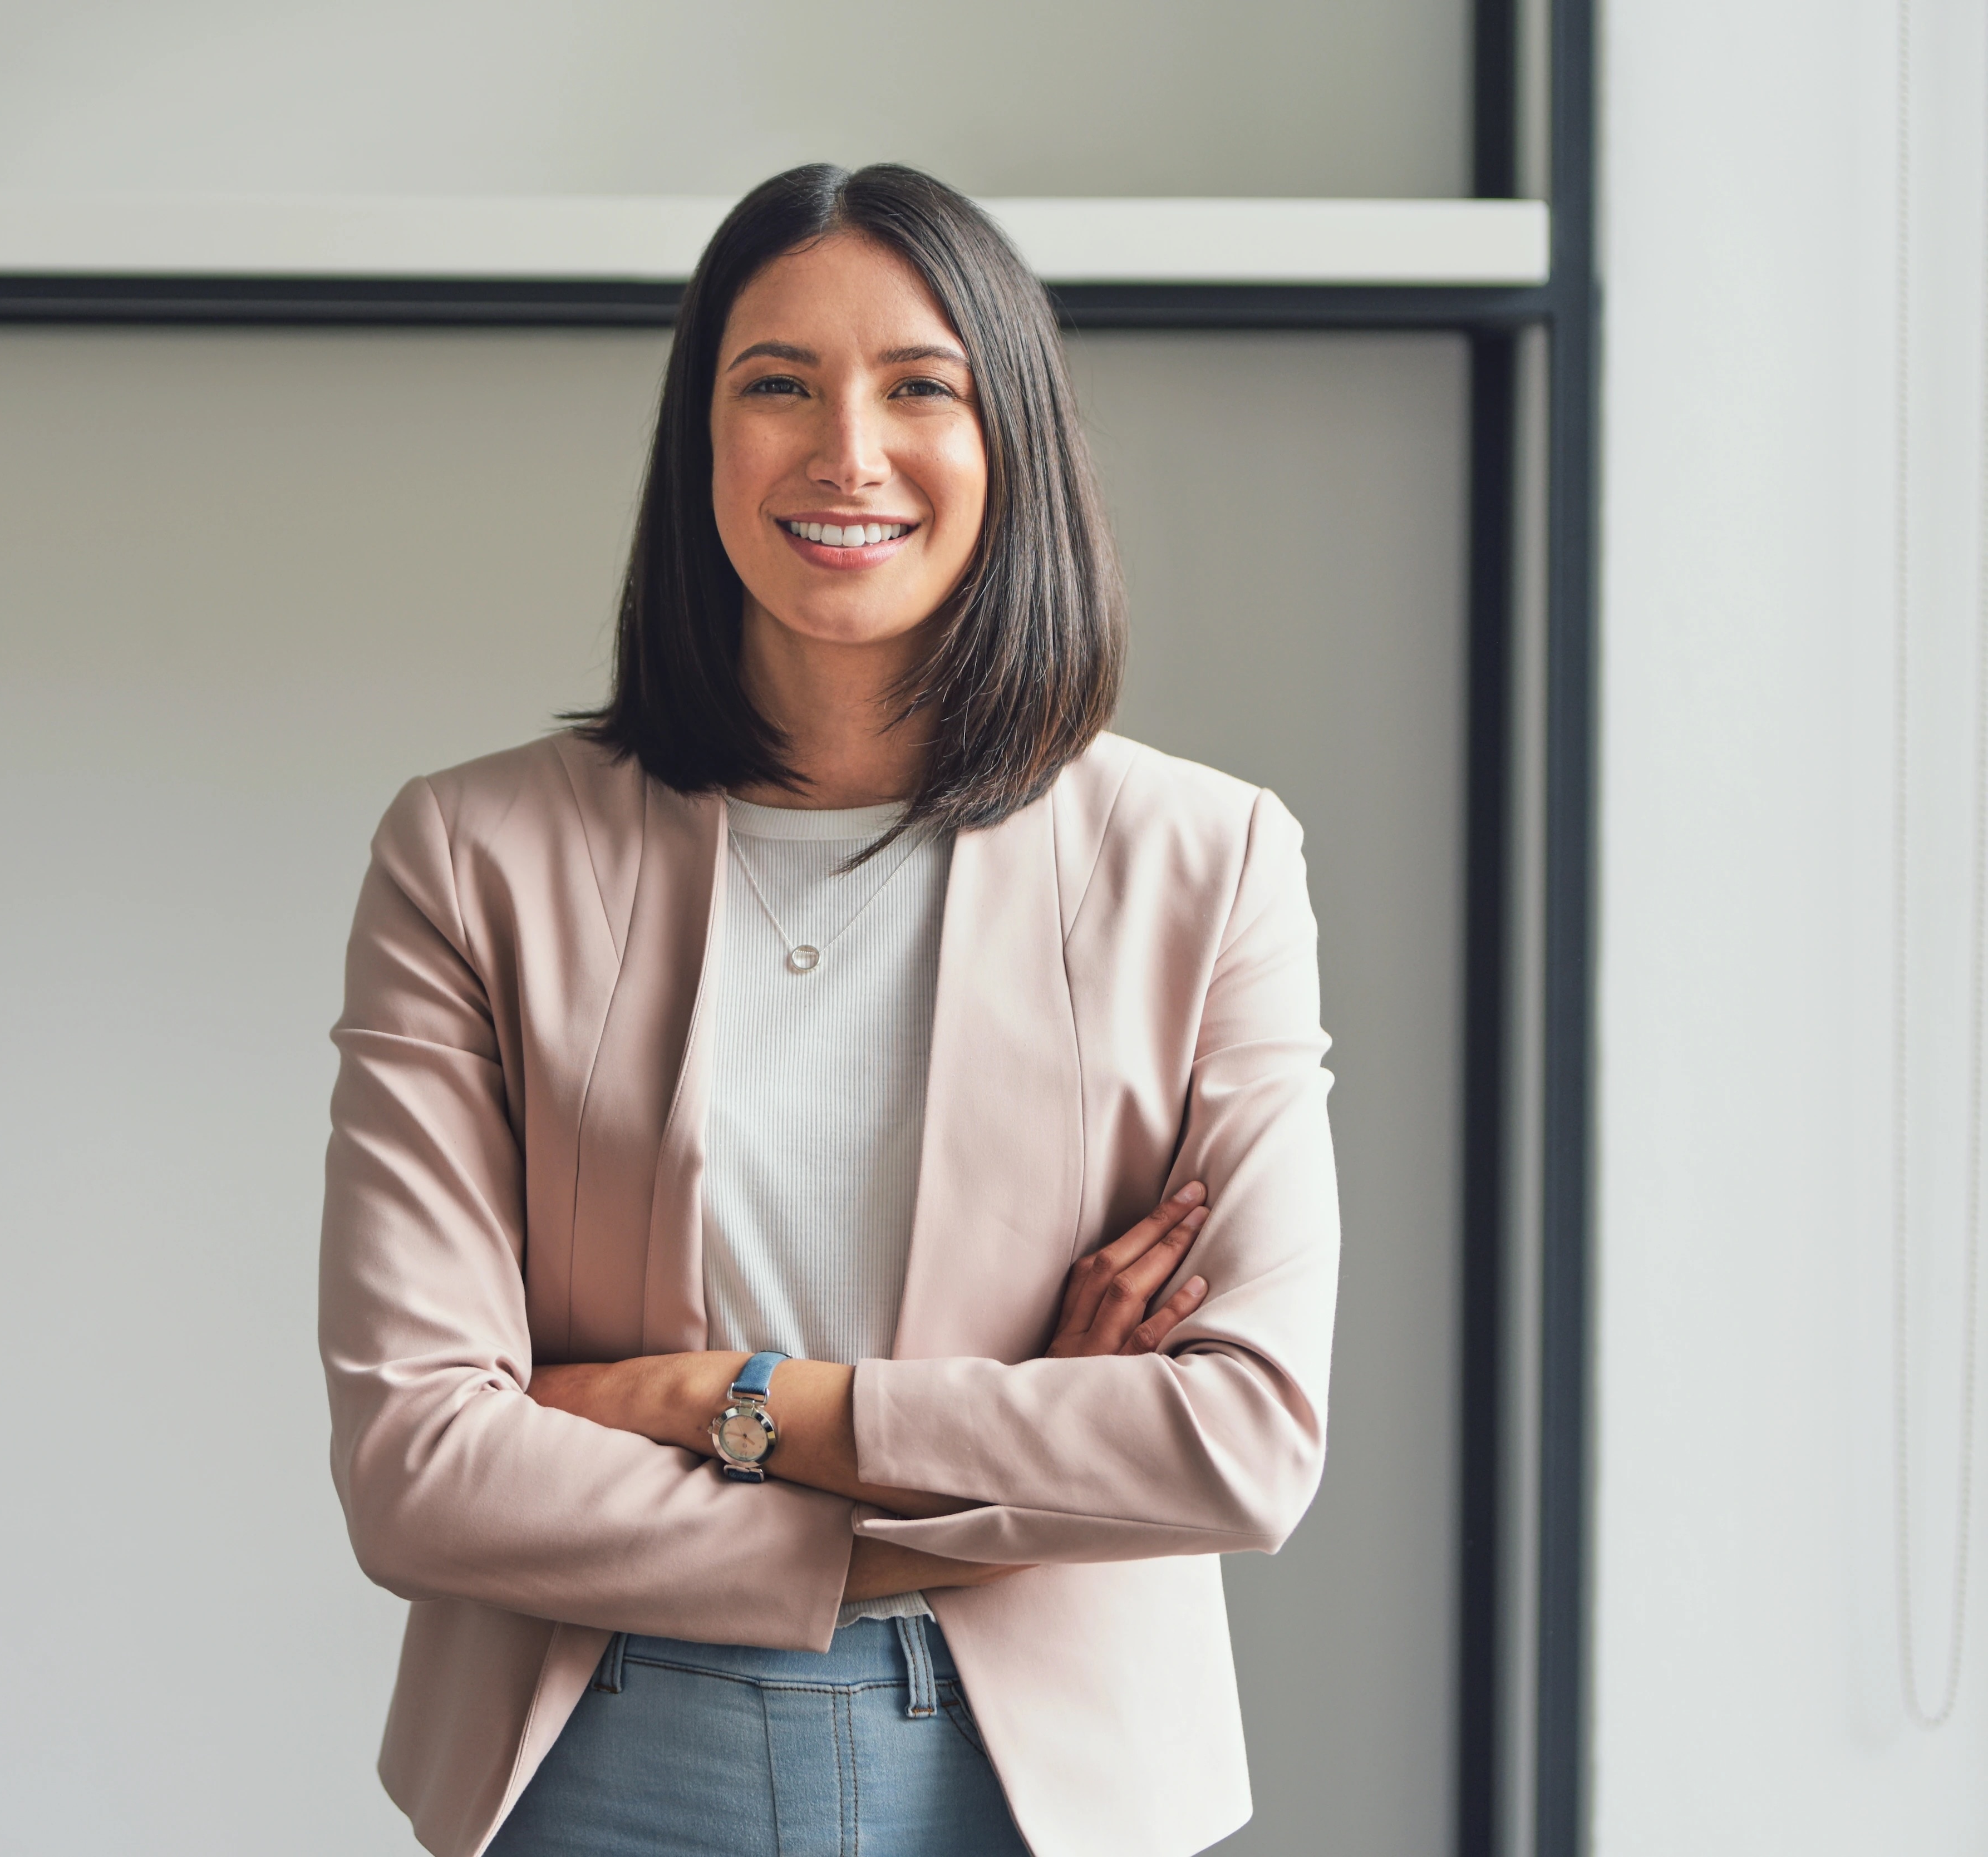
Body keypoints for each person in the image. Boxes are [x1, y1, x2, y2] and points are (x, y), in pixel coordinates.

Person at [318, 162, 1339, 1857]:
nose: (847, 453)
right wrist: (994, 1493)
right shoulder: (472, 852)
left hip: (1042, 1780)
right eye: (778, 383)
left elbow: (1241, 1442)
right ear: (699, 441)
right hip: (597, 1746)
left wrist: (713, 1399)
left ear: (1010, 439)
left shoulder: (1207, 857)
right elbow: (418, 1465)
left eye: (920, 385)